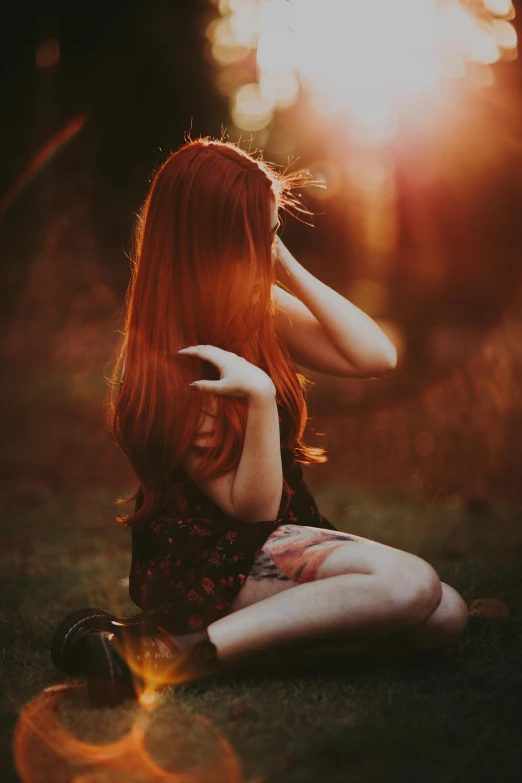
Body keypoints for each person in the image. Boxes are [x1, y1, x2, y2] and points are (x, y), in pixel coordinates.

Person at [50, 138, 469, 707]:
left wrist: (280, 260)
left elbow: (376, 356)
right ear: (214, 240)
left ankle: (154, 646)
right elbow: (253, 511)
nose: (269, 243)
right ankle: (181, 652)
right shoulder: (169, 369)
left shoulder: (256, 309)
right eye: (260, 234)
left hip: (272, 541)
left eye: (272, 231)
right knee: (412, 587)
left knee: (445, 615)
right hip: (211, 565)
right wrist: (262, 399)